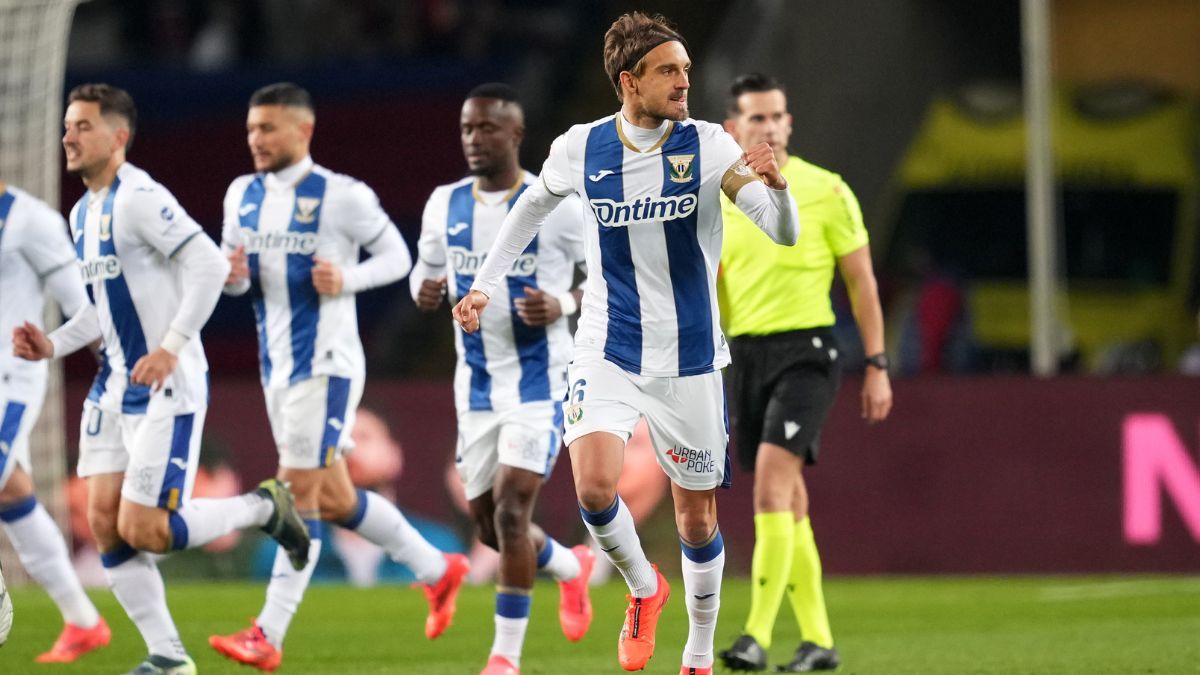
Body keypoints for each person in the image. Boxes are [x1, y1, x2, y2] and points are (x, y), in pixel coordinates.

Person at [453, 14, 800, 675]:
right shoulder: (582, 148)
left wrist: (778, 190)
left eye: (688, 70)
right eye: (670, 70)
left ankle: (698, 652)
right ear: (628, 81)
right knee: (592, 489)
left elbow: (779, 231)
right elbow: (530, 207)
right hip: (606, 345)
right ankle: (644, 587)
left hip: (690, 355)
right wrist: (482, 285)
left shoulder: (708, 145)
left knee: (696, 519)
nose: (685, 82)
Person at [12, 82, 311, 675]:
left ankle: (262, 507)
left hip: (164, 387)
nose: (68, 137)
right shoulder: (82, 211)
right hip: (113, 386)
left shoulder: (140, 197)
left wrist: (171, 348)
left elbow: (204, 264)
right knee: (103, 523)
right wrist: (53, 343)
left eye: (83, 127)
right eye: (67, 126)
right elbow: (100, 307)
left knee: (145, 528)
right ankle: (169, 658)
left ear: (118, 137)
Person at [209, 82, 468, 672]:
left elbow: (397, 258)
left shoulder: (340, 195)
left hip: (327, 365)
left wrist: (345, 279)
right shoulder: (240, 194)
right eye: (251, 129)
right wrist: (231, 275)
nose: (257, 139)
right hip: (275, 364)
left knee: (295, 494)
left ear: (303, 130)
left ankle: (266, 633)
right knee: (334, 497)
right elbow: (236, 279)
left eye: (268, 128)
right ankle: (437, 567)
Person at [411, 82, 594, 675]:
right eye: (467, 128)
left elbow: (611, 279)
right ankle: (571, 566)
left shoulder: (560, 204)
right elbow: (424, 275)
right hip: (477, 388)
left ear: (516, 135)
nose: (474, 139)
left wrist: (564, 302)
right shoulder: (443, 203)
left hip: (542, 383)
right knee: (491, 527)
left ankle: (504, 659)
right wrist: (427, 290)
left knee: (515, 514)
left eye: (487, 128)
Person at [715, 73, 893, 673]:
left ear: (789, 122)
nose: (768, 127)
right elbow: (711, 281)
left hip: (809, 352)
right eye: (755, 119)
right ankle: (818, 641)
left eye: (776, 116)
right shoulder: (723, 193)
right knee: (789, 501)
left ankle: (755, 637)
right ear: (735, 128)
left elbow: (861, 279)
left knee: (770, 481)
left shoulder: (826, 189)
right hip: (746, 355)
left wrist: (877, 363)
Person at [0, 180, 112, 663]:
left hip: (9, 380)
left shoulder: (34, 222)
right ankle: (84, 621)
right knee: (12, 493)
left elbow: (83, 307)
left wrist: (121, 369)